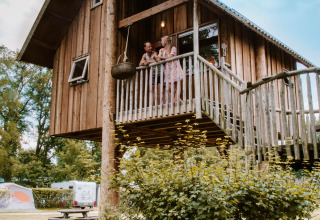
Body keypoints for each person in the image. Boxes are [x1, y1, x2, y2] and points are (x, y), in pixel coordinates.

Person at [155, 36, 184, 102]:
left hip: (175, 67)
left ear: (165, 42)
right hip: (168, 69)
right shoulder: (161, 50)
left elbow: (170, 57)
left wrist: (161, 57)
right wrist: (155, 58)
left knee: (177, 84)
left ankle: (175, 100)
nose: (161, 42)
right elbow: (158, 59)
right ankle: (178, 98)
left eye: (162, 41)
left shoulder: (173, 48)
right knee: (168, 85)